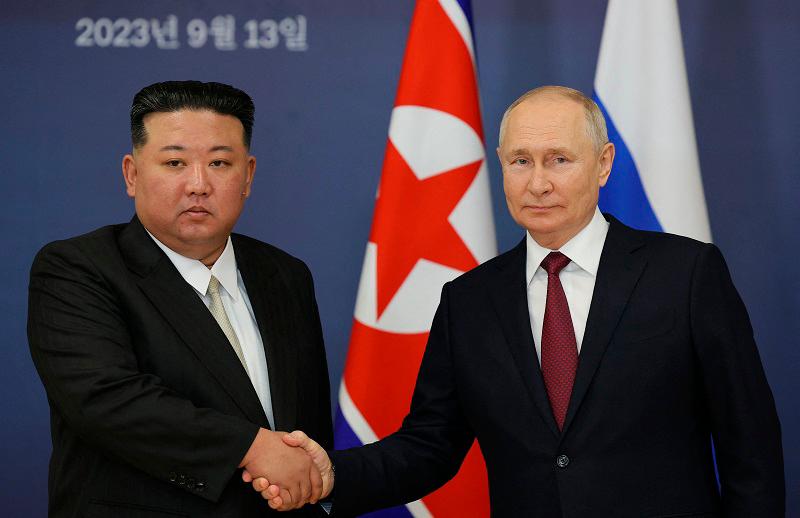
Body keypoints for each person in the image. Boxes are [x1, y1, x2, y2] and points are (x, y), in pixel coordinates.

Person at [250, 86, 785, 517]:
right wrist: (330, 475)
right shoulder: (469, 300)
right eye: (521, 161)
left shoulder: (685, 273)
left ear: (602, 165)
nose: (538, 183)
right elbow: (429, 446)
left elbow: (749, 444)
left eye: (559, 160)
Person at [27, 80, 332, 517]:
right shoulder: (78, 268)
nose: (198, 184)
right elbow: (106, 399)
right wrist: (250, 447)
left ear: (248, 176)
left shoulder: (285, 275)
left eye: (220, 163)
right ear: (131, 174)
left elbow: (305, 430)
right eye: (174, 162)